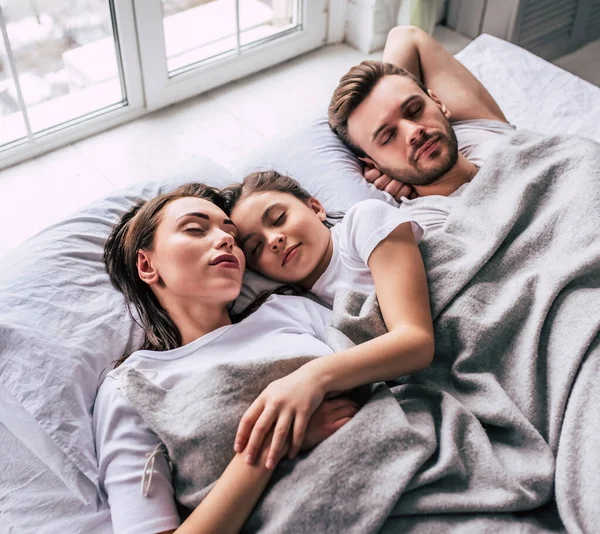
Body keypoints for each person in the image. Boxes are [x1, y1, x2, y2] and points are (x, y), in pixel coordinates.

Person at [95, 183, 361, 534]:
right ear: (147, 265)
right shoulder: (134, 386)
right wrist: (273, 444)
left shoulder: (288, 310)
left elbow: (392, 351)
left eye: (230, 234)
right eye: (195, 229)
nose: (224, 240)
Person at [222, 170, 434, 468]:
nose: (274, 240)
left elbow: (416, 341)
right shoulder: (298, 308)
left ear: (315, 208)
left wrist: (311, 378)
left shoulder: (362, 222)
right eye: (255, 247)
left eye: (279, 218)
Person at [328, 25, 515, 204]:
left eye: (414, 110)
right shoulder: (424, 225)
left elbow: (406, 36)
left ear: (438, 102)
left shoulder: (480, 130)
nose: (414, 131)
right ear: (373, 164)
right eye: (388, 137)